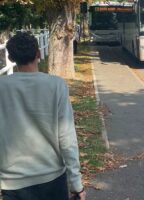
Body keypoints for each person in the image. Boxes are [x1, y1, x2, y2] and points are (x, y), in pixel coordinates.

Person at [0, 32, 86, 200]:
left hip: (12, 182)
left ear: (10, 56)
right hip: (52, 178)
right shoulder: (56, 85)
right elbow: (67, 137)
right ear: (38, 54)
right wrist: (76, 184)